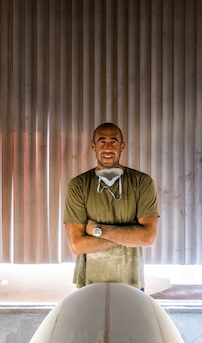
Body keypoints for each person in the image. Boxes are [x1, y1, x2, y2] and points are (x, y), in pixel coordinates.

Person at [63, 122, 159, 290]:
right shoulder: (78, 185)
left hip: (131, 283)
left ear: (122, 146)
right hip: (89, 284)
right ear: (93, 146)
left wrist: (97, 230)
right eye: (102, 141)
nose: (108, 148)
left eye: (113, 141)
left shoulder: (142, 182)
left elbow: (147, 237)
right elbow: (77, 245)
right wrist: (128, 233)